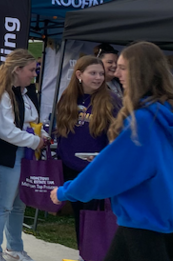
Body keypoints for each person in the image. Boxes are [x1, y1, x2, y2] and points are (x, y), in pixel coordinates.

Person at [51, 42, 173, 261]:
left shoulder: (144, 121)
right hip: (154, 218)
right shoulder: (171, 117)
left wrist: (67, 191)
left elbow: (110, 171)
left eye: (123, 67)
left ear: (142, 72)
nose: (117, 73)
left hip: (143, 222)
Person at [0, 49, 46, 261]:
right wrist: (36, 141)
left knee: (19, 204)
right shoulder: (3, 93)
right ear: (17, 69)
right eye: (31, 70)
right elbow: (4, 130)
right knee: (1, 204)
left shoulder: (25, 93)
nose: (34, 74)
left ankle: (15, 247)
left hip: (24, 153)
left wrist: (42, 134)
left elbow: (30, 122)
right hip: (4, 156)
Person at [53, 55, 120, 246]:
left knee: (95, 219)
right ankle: (83, 253)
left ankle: (94, 254)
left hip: (96, 170)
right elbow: (63, 132)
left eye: (101, 73)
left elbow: (116, 138)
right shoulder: (68, 97)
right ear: (79, 75)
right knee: (79, 217)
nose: (98, 77)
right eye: (93, 73)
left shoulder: (112, 101)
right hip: (71, 168)